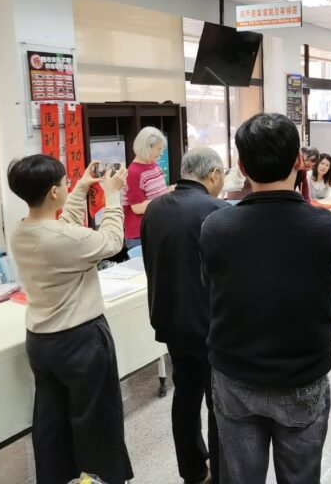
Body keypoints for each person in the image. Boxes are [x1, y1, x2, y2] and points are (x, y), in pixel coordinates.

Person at [200, 113, 331, 484]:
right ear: (300, 161)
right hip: (302, 375)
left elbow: (211, 285)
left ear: (241, 165)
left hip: (235, 374)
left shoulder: (215, 226)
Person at [7, 155, 132, 484]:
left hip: (41, 342)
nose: (68, 187)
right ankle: (99, 479)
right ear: (52, 192)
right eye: (65, 184)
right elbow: (111, 242)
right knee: (96, 421)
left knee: (52, 423)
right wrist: (113, 195)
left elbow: (64, 226)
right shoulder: (62, 240)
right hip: (80, 340)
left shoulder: (21, 231)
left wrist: (81, 187)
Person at [140, 148, 229, 484]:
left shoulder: (155, 208)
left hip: (170, 319)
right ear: (214, 174)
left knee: (186, 396)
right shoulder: (218, 211)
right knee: (218, 402)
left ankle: (192, 470)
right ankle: (220, 470)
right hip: (209, 322)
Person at [123, 126, 170, 250]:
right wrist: (166, 198)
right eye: (158, 149)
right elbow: (137, 207)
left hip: (156, 228)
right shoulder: (133, 172)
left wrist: (170, 191)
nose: (161, 153)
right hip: (140, 234)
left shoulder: (153, 165)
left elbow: (157, 193)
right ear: (146, 148)